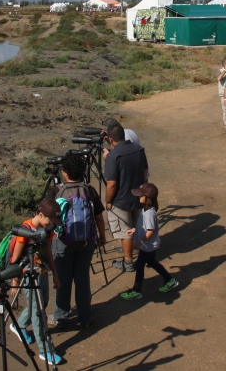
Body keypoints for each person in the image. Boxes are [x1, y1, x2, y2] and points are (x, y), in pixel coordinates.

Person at [48, 152, 107, 330]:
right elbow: (98, 218)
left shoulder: (57, 191)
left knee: (63, 280)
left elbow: (48, 218)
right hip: (86, 242)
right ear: (82, 171)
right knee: (82, 279)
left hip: (63, 242)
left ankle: (61, 316)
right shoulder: (89, 190)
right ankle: (85, 316)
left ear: (64, 172)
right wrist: (102, 237)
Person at [9, 199, 64, 366]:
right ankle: (45, 350)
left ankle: (18, 325)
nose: (52, 225)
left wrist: (55, 274)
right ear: (40, 214)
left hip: (42, 271)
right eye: (50, 220)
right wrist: (15, 279)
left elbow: (48, 253)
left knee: (43, 303)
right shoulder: (24, 230)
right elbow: (16, 258)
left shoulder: (48, 230)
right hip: (27, 274)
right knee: (38, 312)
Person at [119, 183, 179, 300]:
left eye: (141, 195)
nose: (138, 197)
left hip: (148, 245)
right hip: (150, 245)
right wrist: (134, 230)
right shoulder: (145, 209)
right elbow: (144, 226)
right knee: (152, 262)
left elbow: (150, 231)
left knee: (139, 265)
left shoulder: (149, 213)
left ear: (148, 198)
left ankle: (137, 290)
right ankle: (169, 280)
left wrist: (140, 242)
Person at [103, 124, 149, 271]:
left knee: (125, 232)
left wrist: (108, 201)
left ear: (110, 139)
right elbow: (145, 171)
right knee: (135, 228)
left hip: (120, 200)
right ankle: (140, 253)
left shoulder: (113, 156)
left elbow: (111, 184)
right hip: (138, 195)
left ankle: (128, 262)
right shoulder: (138, 149)